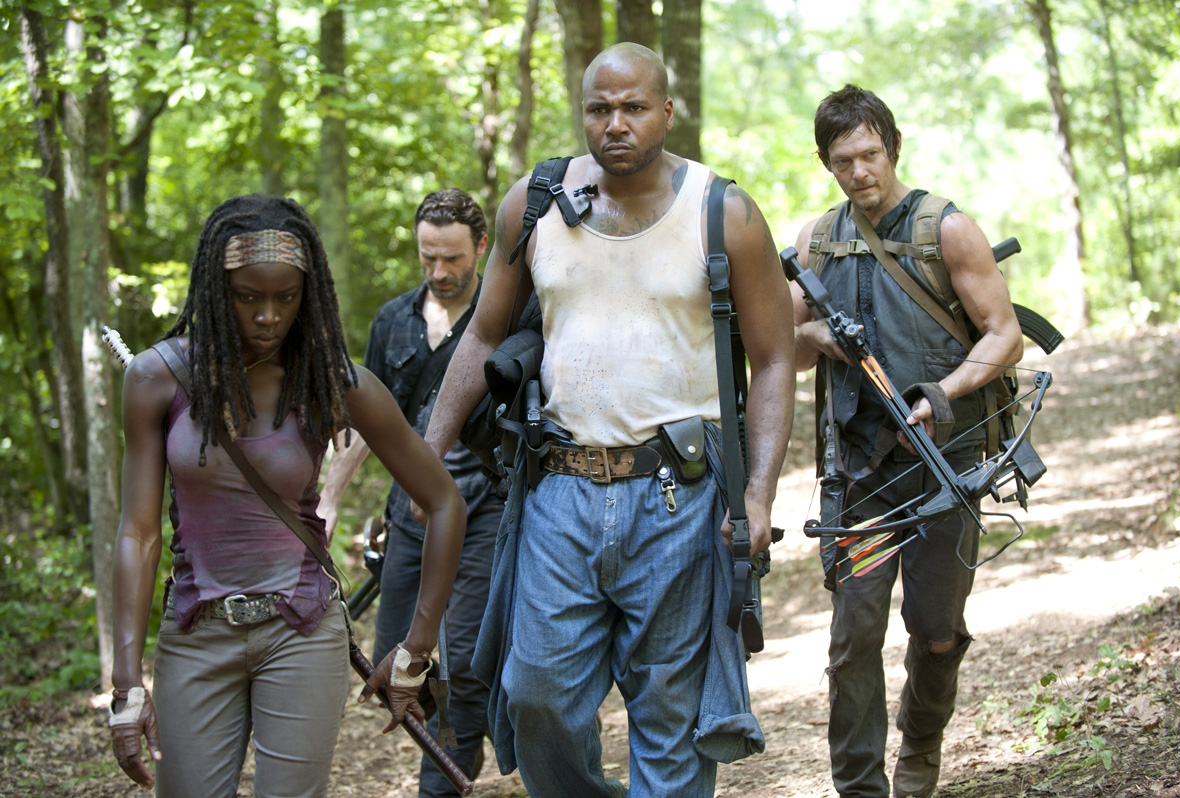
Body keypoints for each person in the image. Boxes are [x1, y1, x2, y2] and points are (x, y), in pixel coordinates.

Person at [417, 42, 796, 798]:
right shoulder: (534, 204)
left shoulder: (723, 212)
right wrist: (424, 459)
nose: (614, 123)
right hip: (559, 488)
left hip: (679, 492)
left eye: (632, 107)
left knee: (671, 711)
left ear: (666, 111)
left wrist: (757, 495)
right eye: (599, 109)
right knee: (535, 696)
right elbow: (482, 336)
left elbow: (775, 358)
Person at [109, 193, 466, 797]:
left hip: (301, 631)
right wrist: (126, 683)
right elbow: (138, 533)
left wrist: (417, 647)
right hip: (196, 631)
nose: (268, 316)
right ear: (215, 290)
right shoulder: (156, 377)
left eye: (287, 297)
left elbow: (444, 502)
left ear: (309, 292)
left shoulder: (331, 379)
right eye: (247, 296)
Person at [790, 85, 1024, 798]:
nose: (859, 171)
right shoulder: (815, 241)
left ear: (893, 147)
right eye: (843, 161)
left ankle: (921, 743)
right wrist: (816, 334)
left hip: (946, 470)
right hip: (862, 479)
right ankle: (860, 786)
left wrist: (940, 394)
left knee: (936, 628)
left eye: (870, 154)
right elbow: (784, 354)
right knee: (854, 636)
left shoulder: (946, 230)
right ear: (826, 163)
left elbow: (1005, 336)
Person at [317, 188, 502, 795]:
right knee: (392, 661)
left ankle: (443, 781)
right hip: (408, 513)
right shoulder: (393, 320)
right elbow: (361, 424)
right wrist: (328, 502)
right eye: (428, 258)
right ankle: (474, 729)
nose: (439, 271)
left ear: (481, 246)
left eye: (452, 258)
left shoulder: (503, 318)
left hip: (484, 508)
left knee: (465, 659)